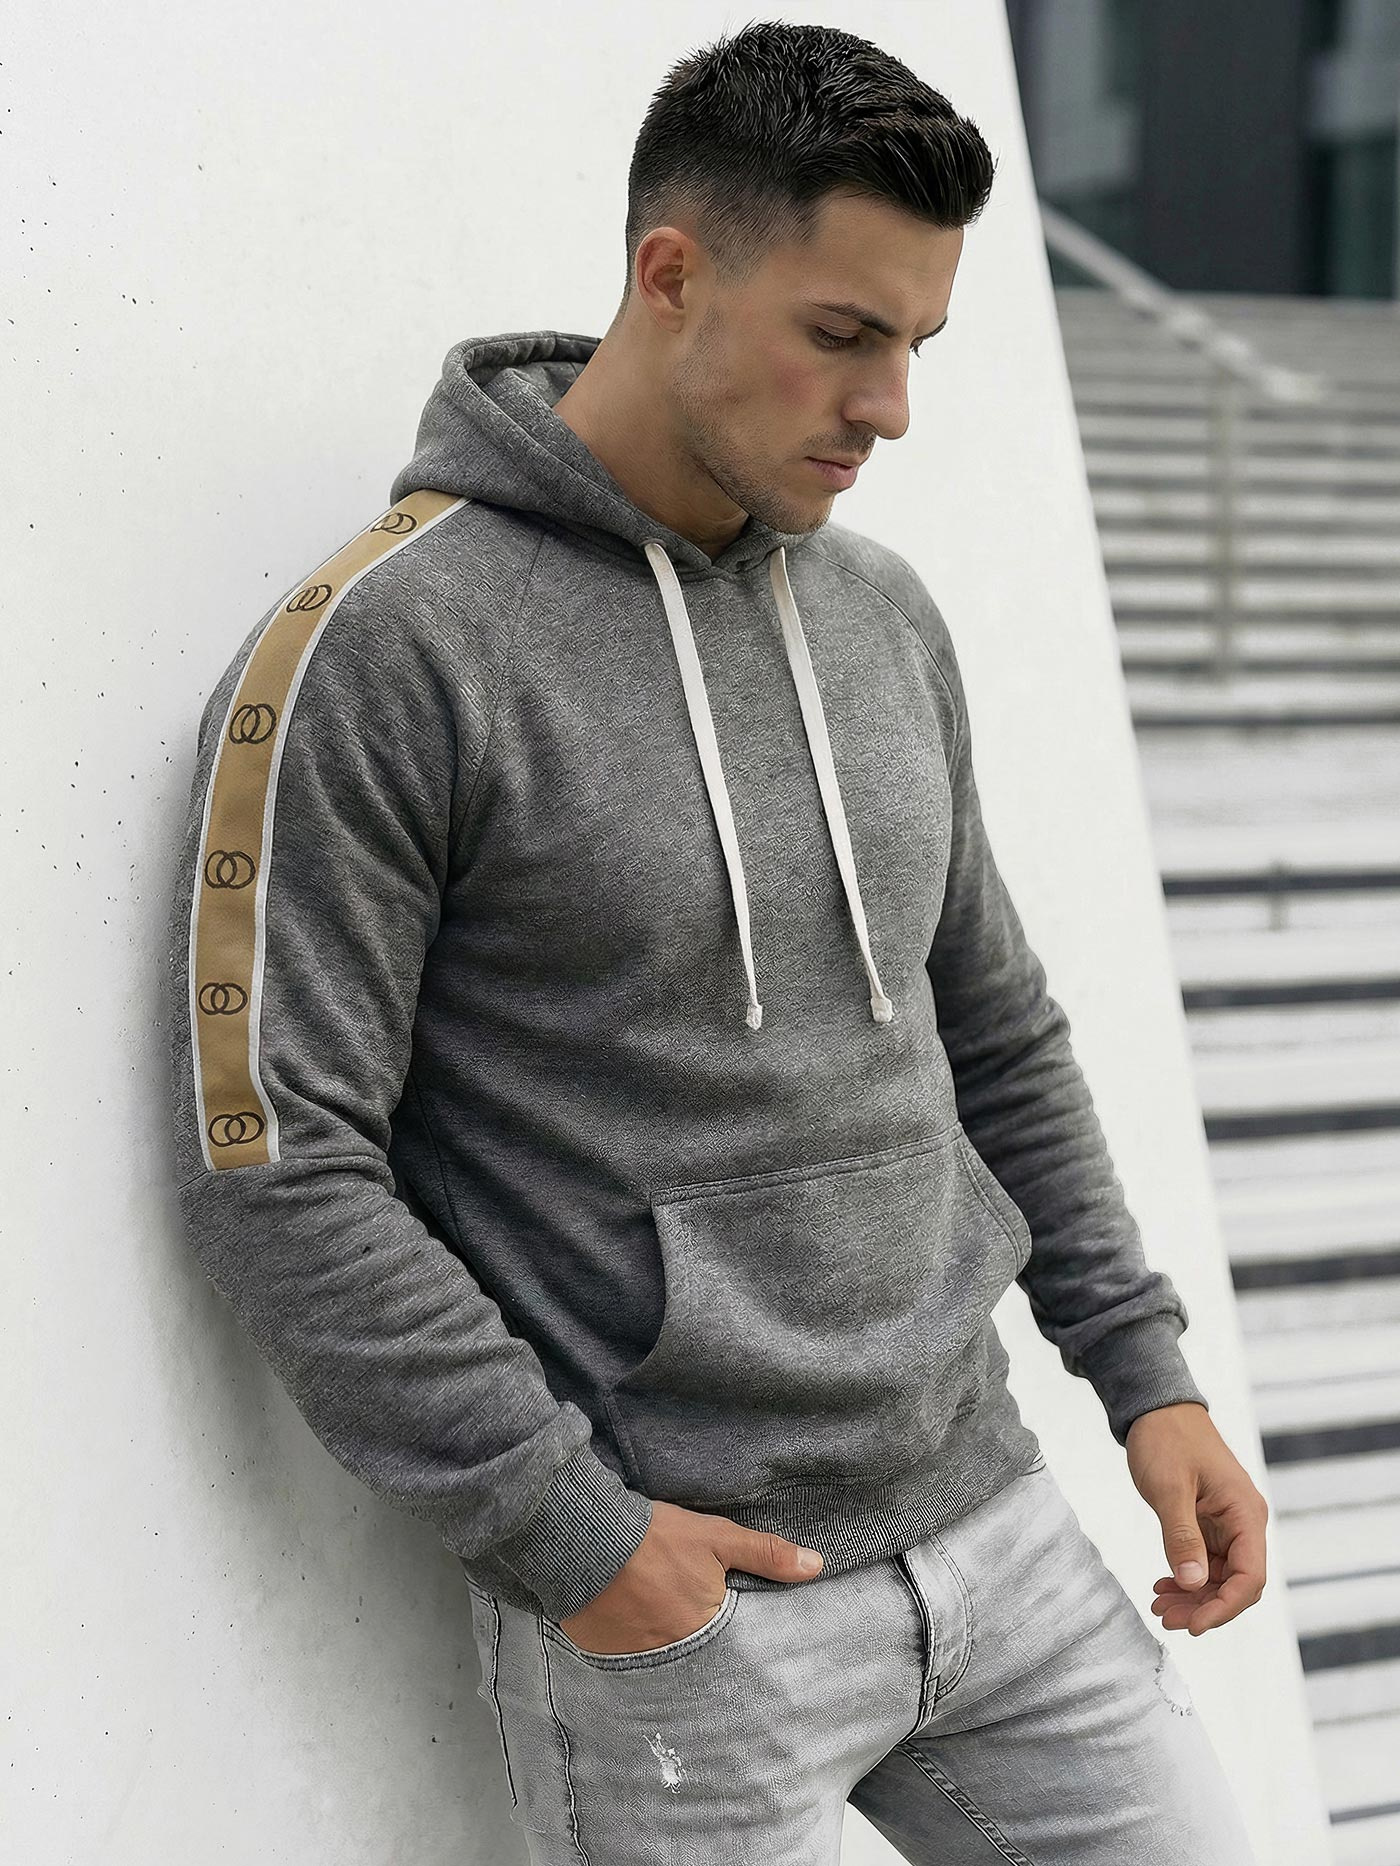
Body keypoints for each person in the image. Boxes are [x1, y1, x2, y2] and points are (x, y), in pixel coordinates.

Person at [165, 18, 1268, 1862]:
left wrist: (1143, 1374)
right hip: (695, 1622)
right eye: (843, 334)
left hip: (1003, 1534)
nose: (890, 407)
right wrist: (574, 1535)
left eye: (917, 345)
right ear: (669, 275)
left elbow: (996, 1033)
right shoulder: (387, 652)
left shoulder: (884, 616)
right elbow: (275, 1151)